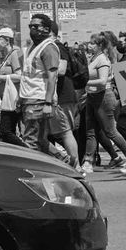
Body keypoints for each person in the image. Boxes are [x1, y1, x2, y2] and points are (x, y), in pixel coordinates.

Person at [82, 32, 126, 175]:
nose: (89, 45)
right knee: (91, 131)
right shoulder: (93, 58)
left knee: (110, 131)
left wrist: (84, 82)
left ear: (100, 46)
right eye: (90, 43)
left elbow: (103, 80)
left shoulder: (102, 60)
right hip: (92, 96)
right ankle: (87, 161)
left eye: (93, 43)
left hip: (104, 97)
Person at [18, 13, 59, 154]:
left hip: (39, 100)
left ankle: (33, 172)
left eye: (36, 26)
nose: (32, 29)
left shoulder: (48, 48)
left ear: (47, 29)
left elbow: (52, 77)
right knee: (40, 140)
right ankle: (67, 164)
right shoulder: (32, 47)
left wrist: (48, 103)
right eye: (31, 26)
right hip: (29, 98)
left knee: (30, 141)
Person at [47, 21, 81, 170]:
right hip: (55, 95)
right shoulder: (48, 47)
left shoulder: (58, 46)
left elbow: (61, 70)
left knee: (65, 132)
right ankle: (64, 162)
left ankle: (77, 166)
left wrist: (42, 72)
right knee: (51, 133)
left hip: (63, 95)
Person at [0, 27, 26, 147]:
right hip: (6, 98)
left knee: (6, 131)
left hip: (12, 99)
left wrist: (0, 78)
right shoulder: (7, 55)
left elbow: (20, 76)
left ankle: (27, 150)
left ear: (7, 40)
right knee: (6, 132)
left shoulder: (15, 53)